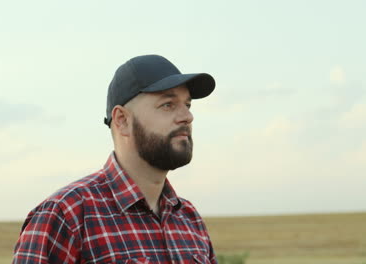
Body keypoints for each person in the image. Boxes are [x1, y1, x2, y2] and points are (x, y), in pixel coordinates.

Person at [12, 54, 218, 264]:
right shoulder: (67, 215)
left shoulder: (190, 219)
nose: (187, 116)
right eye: (168, 104)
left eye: (188, 105)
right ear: (122, 120)